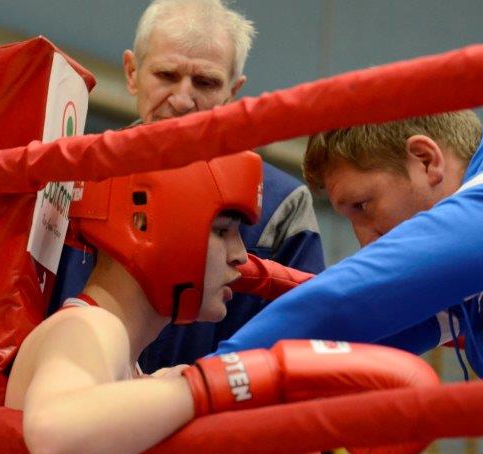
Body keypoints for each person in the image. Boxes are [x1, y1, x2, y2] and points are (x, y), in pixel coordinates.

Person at [49, 0, 325, 371]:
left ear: (233, 91)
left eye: (205, 82)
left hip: (205, 404)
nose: (181, 101)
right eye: (166, 75)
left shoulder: (281, 206)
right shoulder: (75, 176)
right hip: (79, 375)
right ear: (132, 72)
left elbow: (297, 351)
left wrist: (194, 390)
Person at [215, 111, 483, 383]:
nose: (364, 240)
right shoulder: (482, 258)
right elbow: (359, 342)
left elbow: (348, 301)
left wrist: (206, 379)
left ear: (425, 160)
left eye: (363, 206)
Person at [2, 152, 263, 454]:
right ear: (142, 224)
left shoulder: (126, 366)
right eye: (222, 231)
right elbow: (50, 431)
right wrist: (201, 390)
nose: (241, 256)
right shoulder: (88, 328)